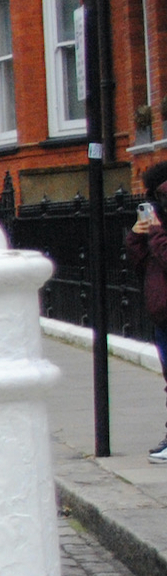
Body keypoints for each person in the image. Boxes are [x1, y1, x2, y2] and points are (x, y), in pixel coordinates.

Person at [130, 166, 167, 460]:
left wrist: (155, 232)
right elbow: (140, 263)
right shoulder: (158, 222)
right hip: (161, 316)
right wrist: (136, 236)